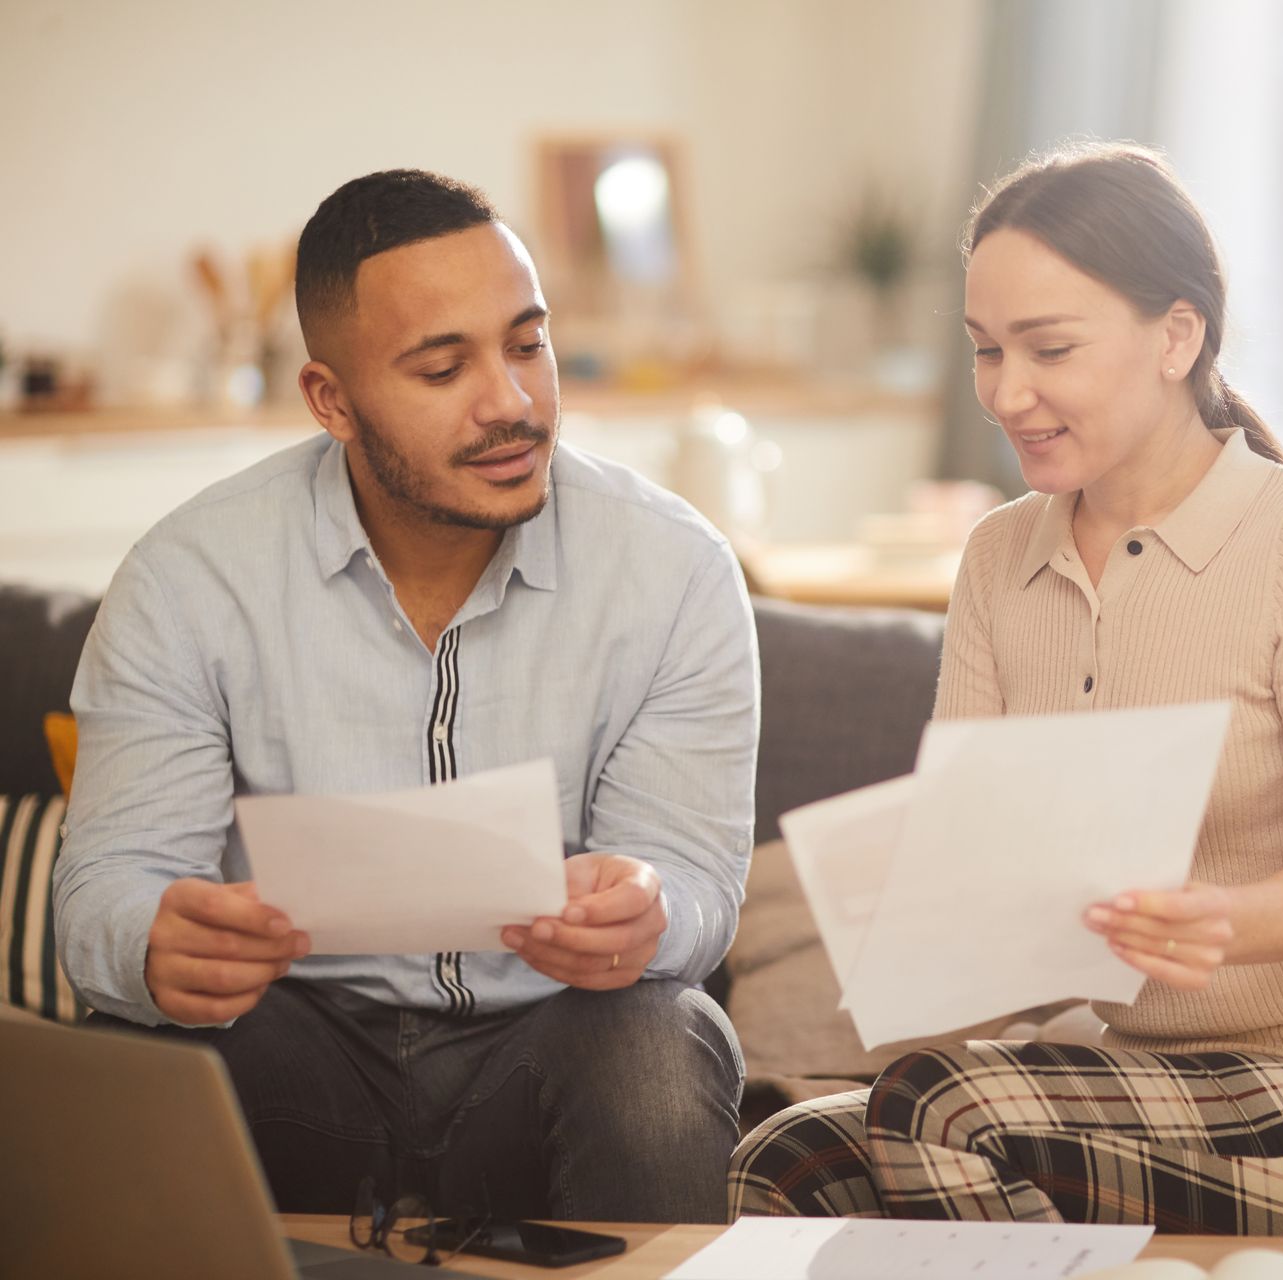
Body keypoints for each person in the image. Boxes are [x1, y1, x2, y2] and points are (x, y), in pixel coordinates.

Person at [728, 144, 1283, 1280]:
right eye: (987, 350)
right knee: (787, 1159)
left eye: (1050, 348)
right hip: (1153, 1089)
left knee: (945, 1107)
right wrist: (924, 934)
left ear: (1177, 337)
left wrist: (1218, 918)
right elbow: (985, 863)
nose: (1004, 393)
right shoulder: (998, 558)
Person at [53, 169, 757, 1224]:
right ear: (330, 399)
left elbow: (697, 882)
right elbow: (106, 885)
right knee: (138, 1052)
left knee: (661, 1038)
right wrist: (154, 939)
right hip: (299, 1045)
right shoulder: (189, 574)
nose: (513, 402)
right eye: (442, 368)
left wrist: (649, 912)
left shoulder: (677, 569)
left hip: (557, 1049)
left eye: (528, 343)